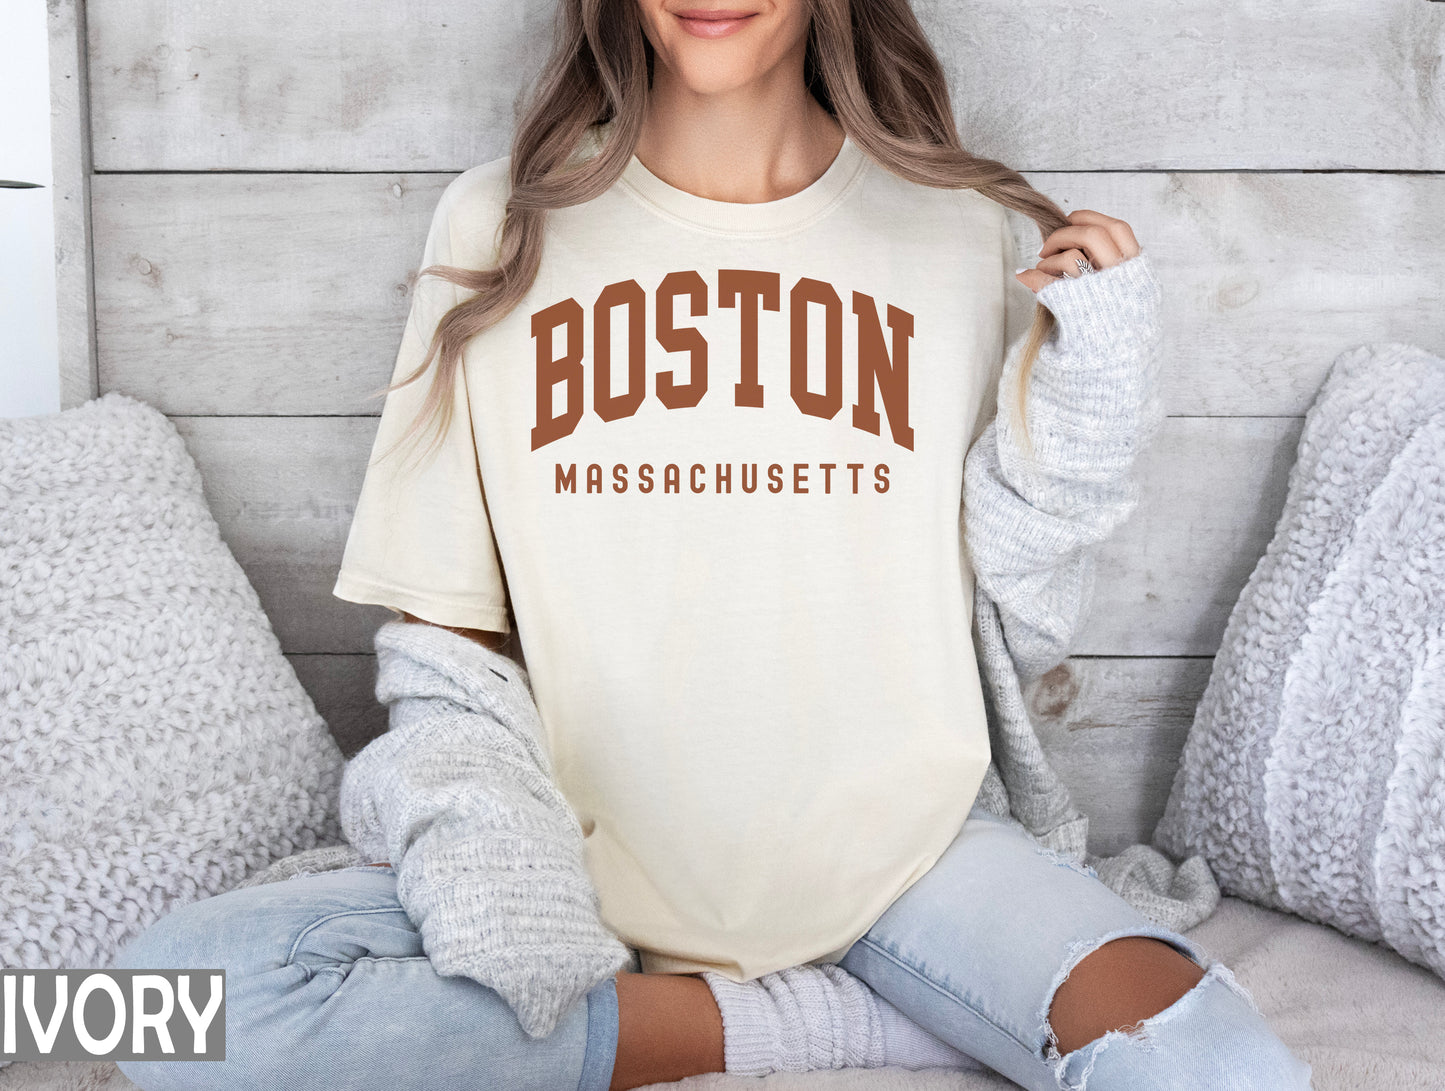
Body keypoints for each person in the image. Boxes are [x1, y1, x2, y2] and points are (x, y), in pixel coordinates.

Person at [113, 1, 1315, 1089]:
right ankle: (824, 1019)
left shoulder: (967, 229)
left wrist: (1094, 406)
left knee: (1221, 1066)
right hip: (578, 866)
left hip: (909, 862)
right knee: (133, 1014)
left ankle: (821, 997)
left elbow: (1020, 586)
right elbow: (444, 631)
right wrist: (493, 871)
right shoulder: (499, 223)